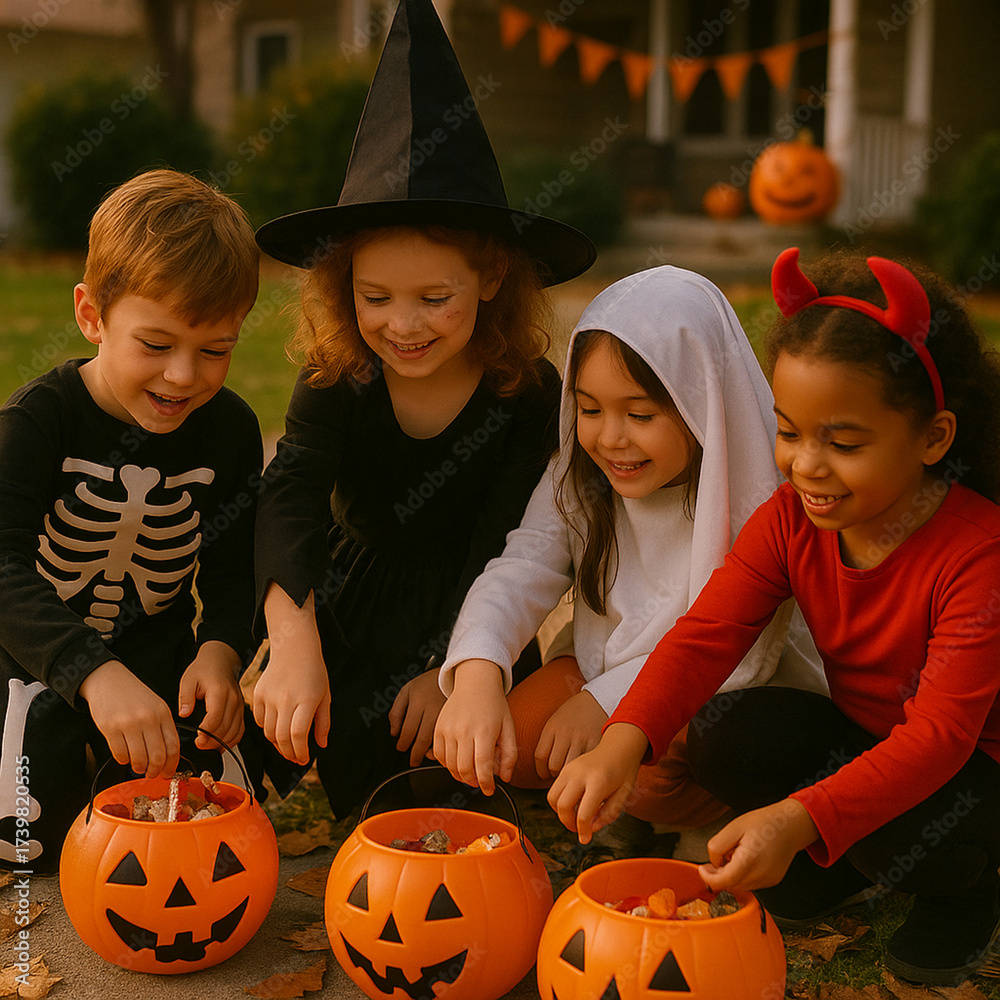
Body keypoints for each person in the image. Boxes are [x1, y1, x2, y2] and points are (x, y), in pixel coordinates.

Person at [549, 247, 1000, 987]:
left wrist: (795, 818)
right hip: (865, 735)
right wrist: (622, 741)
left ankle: (967, 891)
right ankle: (840, 858)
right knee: (725, 735)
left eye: (843, 443)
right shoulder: (791, 518)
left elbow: (937, 741)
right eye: (789, 432)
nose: (807, 465)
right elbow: (706, 636)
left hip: (971, 772)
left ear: (933, 438)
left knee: (907, 831)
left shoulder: (978, 555)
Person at [250, 0, 596, 818]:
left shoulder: (526, 392)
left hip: (470, 605)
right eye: (376, 297)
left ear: (491, 277)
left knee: (448, 778)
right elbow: (289, 495)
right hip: (347, 603)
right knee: (320, 747)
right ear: (344, 286)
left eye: (433, 298)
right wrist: (292, 642)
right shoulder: (339, 376)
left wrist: (449, 665)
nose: (402, 326)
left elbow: (505, 541)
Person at [433, 264, 824, 855]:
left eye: (640, 415)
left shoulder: (755, 494)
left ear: (702, 404)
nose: (611, 438)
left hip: (725, 693)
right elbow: (523, 565)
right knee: (518, 743)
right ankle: (634, 807)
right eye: (590, 410)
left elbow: (735, 650)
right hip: (605, 666)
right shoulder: (580, 474)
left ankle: (708, 812)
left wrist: (604, 704)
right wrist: (477, 673)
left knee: (658, 766)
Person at [0, 168, 264, 873]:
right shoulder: (36, 423)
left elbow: (235, 567)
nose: (184, 376)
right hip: (31, 659)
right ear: (92, 315)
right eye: (155, 344)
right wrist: (90, 670)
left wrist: (221, 651)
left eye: (216, 350)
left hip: (157, 661)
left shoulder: (229, 431)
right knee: (27, 841)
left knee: (204, 822)